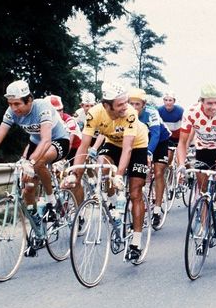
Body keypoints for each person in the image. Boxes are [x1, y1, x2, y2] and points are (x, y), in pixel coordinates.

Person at [0, 80, 70, 241]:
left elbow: (46, 140)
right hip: (36, 143)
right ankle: (36, 222)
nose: (13, 108)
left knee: (37, 162)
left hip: (58, 140)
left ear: (29, 100)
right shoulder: (11, 112)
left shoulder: (41, 107)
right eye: (10, 104)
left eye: (17, 104)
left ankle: (53, 201)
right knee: (28, 188)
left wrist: (30, 163)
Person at [73, 82, 150, 261]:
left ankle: (136, 242)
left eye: (126, 102)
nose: (126, 107)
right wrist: (74, 173)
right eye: (120, 104)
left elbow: (128, 149)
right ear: (107, 106)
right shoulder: (94, 113)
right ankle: (114, 202)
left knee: (135, 192)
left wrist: (118, 175)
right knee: (102, 164)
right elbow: (84, 145)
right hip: (112, 144)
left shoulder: (130, 113)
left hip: (137, 146)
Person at [176, 84, 216, 221]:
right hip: (202, 149)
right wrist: (181, 165)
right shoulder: (191, 112)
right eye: (209, 103)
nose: (213, 107)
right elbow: (182, 142)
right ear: (201, 101)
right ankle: (204, 234)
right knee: (203, 190)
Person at [129, 88, 172, 228]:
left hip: (160, 140)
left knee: (159, 172)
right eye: (132, 104)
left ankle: (157, 210)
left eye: (137, 104)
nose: (134, 108)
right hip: (141, 141)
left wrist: (148, 153)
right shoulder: (127, 114)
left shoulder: (152, 113)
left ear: (144, 104)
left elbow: (155, 135)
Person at [47, 95, 82, 163]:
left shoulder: (69, 121)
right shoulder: (46, 120)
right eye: (56, 111)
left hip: (75, 147)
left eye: (60, 110)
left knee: (71, 171)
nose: (59, 113)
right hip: (58, 145)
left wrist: (61, 160)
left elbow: (69, 143)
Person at [158, 91, 184, 163]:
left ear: (174, 101)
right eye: (166, 100)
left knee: (181, 160)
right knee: (168, 158)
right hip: (167, 137)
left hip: (179, 137)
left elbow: (185, 125)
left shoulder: (180, 110)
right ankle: (168, 172)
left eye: (170, 100)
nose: (168, 102)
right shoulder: (159, 110)